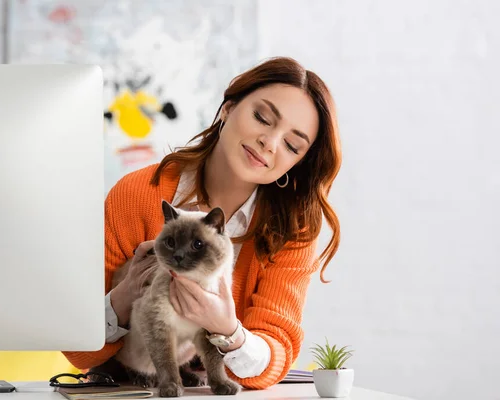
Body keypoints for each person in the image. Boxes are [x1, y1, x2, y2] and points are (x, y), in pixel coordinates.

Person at [62, 56, 342, 390]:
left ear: (296, 163)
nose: (270, 142)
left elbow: (274, 356)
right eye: (261, 117)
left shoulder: (292, 230)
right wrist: (127, 294)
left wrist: (227, 329)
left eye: (292, 145)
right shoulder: (136, 195)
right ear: (228, 108)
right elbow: (77, 350)